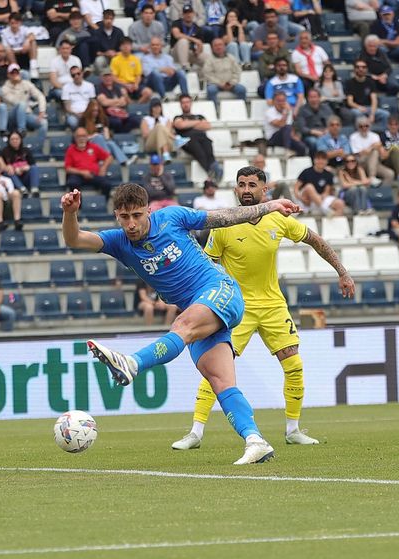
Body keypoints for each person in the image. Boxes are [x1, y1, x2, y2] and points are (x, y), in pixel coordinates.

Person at [62, 182, 301, 465]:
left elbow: (223, 217)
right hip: (201, 311)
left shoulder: (172, 217)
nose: (131, 224)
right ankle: (255, 441)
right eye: (124, 217)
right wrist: (70, 213)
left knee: (182, 326)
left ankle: (133, 364)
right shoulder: (119, 242)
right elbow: (75, 239)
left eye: (137, 215)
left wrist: (270, 206)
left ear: (148, 211)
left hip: (221, 289)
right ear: (116, 216)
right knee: (221, 381)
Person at [171, 165, 353, 451]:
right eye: (241, 184)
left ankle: (293, 429)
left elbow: (316, 241)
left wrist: (342, 272)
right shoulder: (224, 225)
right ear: (235, 189)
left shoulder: (278, 219)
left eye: (252, 185)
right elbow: (206, 266)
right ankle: (195, 432)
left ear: (264, 190)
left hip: (272, 305)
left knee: (293, 364)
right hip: (237, 307)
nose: (246, 190)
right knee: (216, 366)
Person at [173, 93, 221, 180]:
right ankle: (211, 168)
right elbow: (180, 125)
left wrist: (188, 124)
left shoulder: (199, 116)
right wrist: (197, 122)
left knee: (207, 141)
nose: (186, 104)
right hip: (187, 142)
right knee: (196, 145)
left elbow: (207, 126)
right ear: (180, 104)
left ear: (191, 103)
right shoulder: (178, 117)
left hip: (202, 139)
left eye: (187, 102)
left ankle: (213, 166)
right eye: (183, 102)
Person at [64, 126, 113, 198]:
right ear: (75, 138)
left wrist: (103, 168)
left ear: (87, 137)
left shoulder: (94, 147)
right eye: (79, 136)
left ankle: (103, 204)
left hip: (93, 174)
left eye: (83, 136)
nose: (81, 138)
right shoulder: (70, 150)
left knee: (107, 184)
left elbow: (109, 157)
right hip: (78, 175)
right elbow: (68, 168)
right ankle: (78, 206)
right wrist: (82, 172)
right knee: (72, 183)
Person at [295, 151, 346, 215]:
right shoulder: (306, 172)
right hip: (306, 199)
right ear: (314, 160)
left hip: (320, 198)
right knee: (309, 186)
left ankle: (334, 223)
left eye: (323, 159)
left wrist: (320, 197)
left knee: (340, 203)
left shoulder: (328, 174)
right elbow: (296, 188)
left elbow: (326, 192)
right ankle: (325, 210)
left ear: (327, 161)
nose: (321, 161)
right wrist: (300, 198)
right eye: (318, 159)